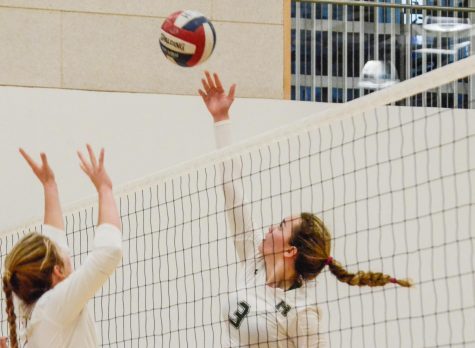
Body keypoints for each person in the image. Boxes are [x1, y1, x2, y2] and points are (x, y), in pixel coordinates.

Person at [198, 71, 412, 347]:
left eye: (281, 226)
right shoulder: (253, 262)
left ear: (290, 250)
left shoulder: (302, 311)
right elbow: (232, 192)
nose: (270, 228)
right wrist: (221, 120)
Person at [2, 145, 122, 348]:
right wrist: (105, 190)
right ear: (57, 271)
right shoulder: (53, 307)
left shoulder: (33, 307)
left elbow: (53, 244)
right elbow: (109, 251)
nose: (65, 252)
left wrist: (50, 186)